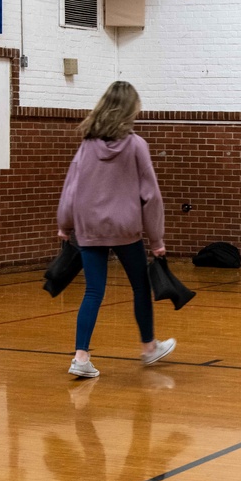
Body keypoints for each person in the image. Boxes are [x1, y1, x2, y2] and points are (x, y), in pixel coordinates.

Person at [57, 81, 176, 378]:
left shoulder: (87, 145)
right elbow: (151, 194)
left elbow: (71, 188)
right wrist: (157, 239)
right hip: (125, 229)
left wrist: (65, 224)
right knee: (140, 286)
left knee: (93, 291)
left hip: (90, 228)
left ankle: (81, 357)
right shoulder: (136, 145)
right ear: (129, 110)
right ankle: (149, 347)